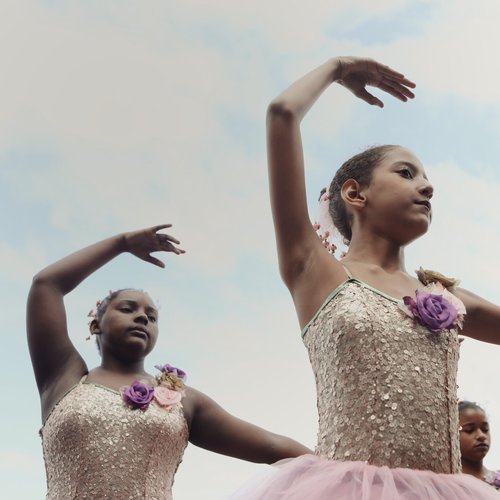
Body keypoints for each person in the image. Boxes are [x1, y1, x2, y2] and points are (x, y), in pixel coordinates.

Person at [230, 57, 500, 499]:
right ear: (355, 193)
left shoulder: (442, 294)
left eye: (428, 179)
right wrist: (337, 68)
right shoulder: (314, 270)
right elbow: (281, 114)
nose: (427, 187)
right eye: (406, 173)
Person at [27, 224, 311, 499]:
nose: (142, 318)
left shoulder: (183, 401)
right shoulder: (63, 377)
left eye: (151, 317)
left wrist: (345, 470)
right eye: (128, 309)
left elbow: (272, 447)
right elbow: (46, 285)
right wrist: (122, 243)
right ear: (95, 326)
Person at [460, 401, 500, 490]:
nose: (481, 436)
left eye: (485, 429)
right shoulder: (448, 484)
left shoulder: (497, 479)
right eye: (469, 430)